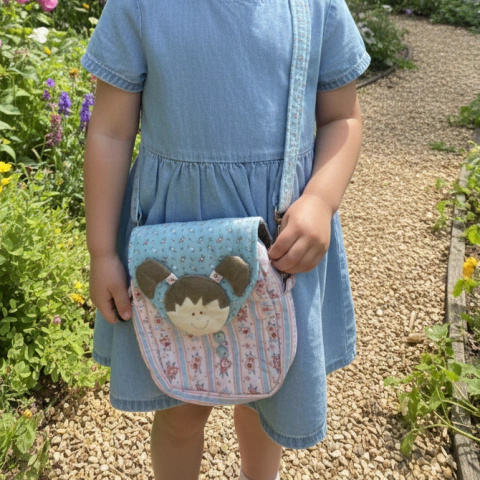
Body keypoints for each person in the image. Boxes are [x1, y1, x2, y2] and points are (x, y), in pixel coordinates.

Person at [80, 0, 371, 479]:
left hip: (278, 246)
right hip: (175, 248)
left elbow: (342, 117)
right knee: (180, 410)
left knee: (265, 400)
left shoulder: (315, 6)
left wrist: (321, 199)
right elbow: (110, 131)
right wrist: (102, 252)